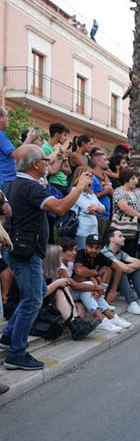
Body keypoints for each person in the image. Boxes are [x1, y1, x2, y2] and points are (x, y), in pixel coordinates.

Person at [1, 146, 93, 370]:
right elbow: (60, 208)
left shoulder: (16, 183)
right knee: (33, 300)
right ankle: (16, 354)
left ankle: (8, 336)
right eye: (44, 159)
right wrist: (79, 187)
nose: (48, 163)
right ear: (35, 165)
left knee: (38, 293)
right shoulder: (30, 187)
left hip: (20, 250)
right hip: (26, 253)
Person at [72, 234, 131, 332]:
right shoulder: (80, 253)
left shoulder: (99, 256)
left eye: (97, 248)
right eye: (91, 247)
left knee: (107, 269)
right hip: (76, 289)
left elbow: (118, 268)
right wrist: (95, 276)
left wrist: (113, 290)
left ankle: (111, 318)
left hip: (89, 289)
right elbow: (79, 271)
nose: (94, 251)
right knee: (88, 285)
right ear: (85, 245)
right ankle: (101, 320)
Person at [102, 227, 140, 315]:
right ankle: (131, 303)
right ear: (111, 239)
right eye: (120, 236)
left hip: (116, 283)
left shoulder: (120, 252)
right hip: (106, 285)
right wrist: (128, 267)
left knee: (132, 270)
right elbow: (123, 269)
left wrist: (128, 267)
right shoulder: (106, 252)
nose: (124, 238)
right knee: (120, 271)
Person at [0, 107, 39, 194]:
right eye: (7, 116)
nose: (8, 119)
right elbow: (17, 154)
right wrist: (29, 138)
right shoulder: (0, 135)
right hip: (5, 180)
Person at [112, 168, 140, 257]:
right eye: (133, 178)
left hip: (135, 228)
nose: (136, 181)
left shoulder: (133, 192)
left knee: (132, 252)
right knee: (124, 252)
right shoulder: (119, 191)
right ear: (126, 180)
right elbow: (124, 207)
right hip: (124, 228)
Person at [70, 166, 106, 249]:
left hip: (93, 230)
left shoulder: (91, 193)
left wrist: (96, 209)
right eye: (88, 175)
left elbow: (103, 208)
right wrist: (97, 209)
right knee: (81, 253)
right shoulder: (75, 190)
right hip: (82, 230)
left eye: (91, 176)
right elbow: (88, 208)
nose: (91, 178)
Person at [42, 122, 72, 193]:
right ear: (57, 135)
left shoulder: (61, 148)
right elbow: (52, 171)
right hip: (54, 184)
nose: (66, 138)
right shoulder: (45, 148)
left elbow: (69, 171)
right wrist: (62, 158)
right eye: (64, 135)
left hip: (64, 184)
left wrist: (59, 165)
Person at [90, 150, 113, 236]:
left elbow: (112, 194)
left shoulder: (104, 178)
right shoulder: (92, 178)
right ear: (99, 162)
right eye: (105, 160)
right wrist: (105, 192)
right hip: (97, 216)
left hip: (107, 215)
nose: (108, 162)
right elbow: (88, 197)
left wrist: (110, 189)